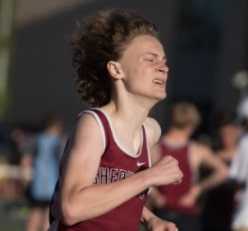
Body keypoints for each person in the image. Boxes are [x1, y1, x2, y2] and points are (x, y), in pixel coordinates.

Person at [49, 8, 183, 231]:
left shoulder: (150, 132)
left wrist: (151, 219)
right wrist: (149, 177)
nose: (163, 67)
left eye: (164, 61)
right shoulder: (95, 125)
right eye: (150, 59)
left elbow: (116, 193)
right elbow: (72, 208)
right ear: (116, 69)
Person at [149, 102, 228, 231]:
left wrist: (155, 194)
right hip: (182, 214)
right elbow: (223, 171)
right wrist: (197, 190)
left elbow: (140, 175)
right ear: (192, 125)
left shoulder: (155, 148)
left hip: (162, 213)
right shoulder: (197, 150)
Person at [26, 115, 64, 231]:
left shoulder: (37, 140)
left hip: (37, 184)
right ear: (55, 127)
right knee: (47, 218)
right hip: (52, 184)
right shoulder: (59, 142)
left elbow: (26, 160)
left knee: (34, 215)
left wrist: (26, 179)